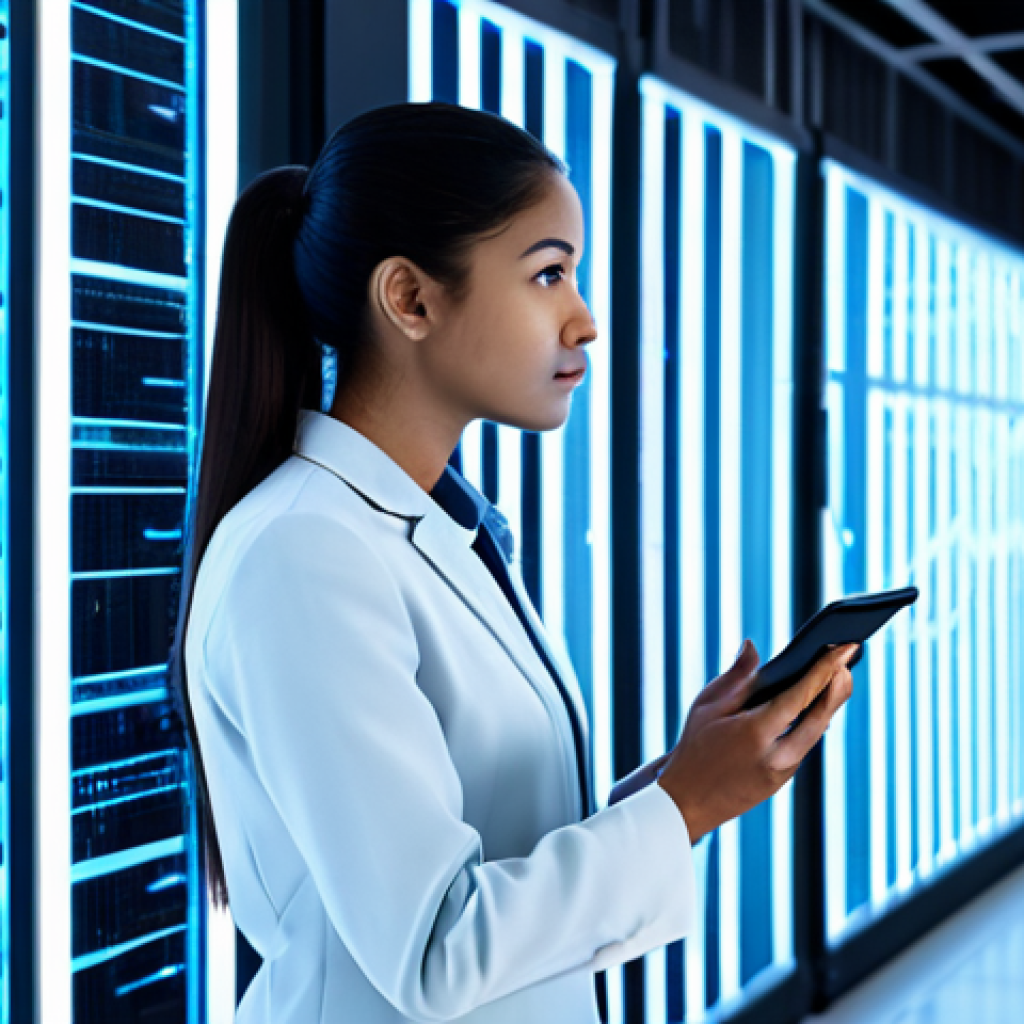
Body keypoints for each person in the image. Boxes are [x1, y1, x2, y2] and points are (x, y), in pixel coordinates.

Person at [171, 101, 856, 1024]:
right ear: (410, 299)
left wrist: (680, 782)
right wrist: (683, 808)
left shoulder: (439, 529)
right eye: (548, 274)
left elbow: (498, 852)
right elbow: (436, 950)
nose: (585, 321)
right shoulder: (303, 554)